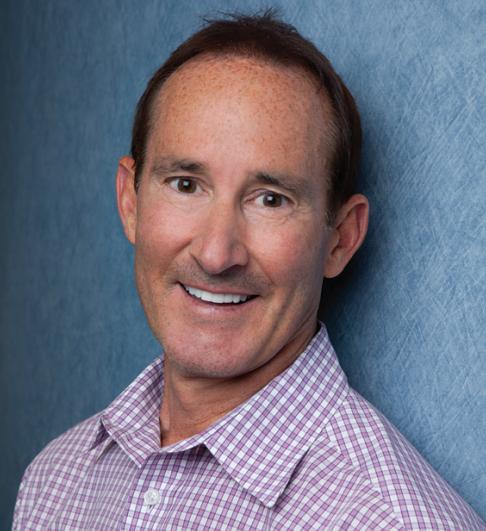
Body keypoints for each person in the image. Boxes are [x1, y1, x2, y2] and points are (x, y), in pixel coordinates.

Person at [13, 11, 484, 530]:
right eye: (186, 185)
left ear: (341, 239)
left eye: (270, 199)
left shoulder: (392, 521)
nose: (217, 254)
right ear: (131, 202)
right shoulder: (56, 481)